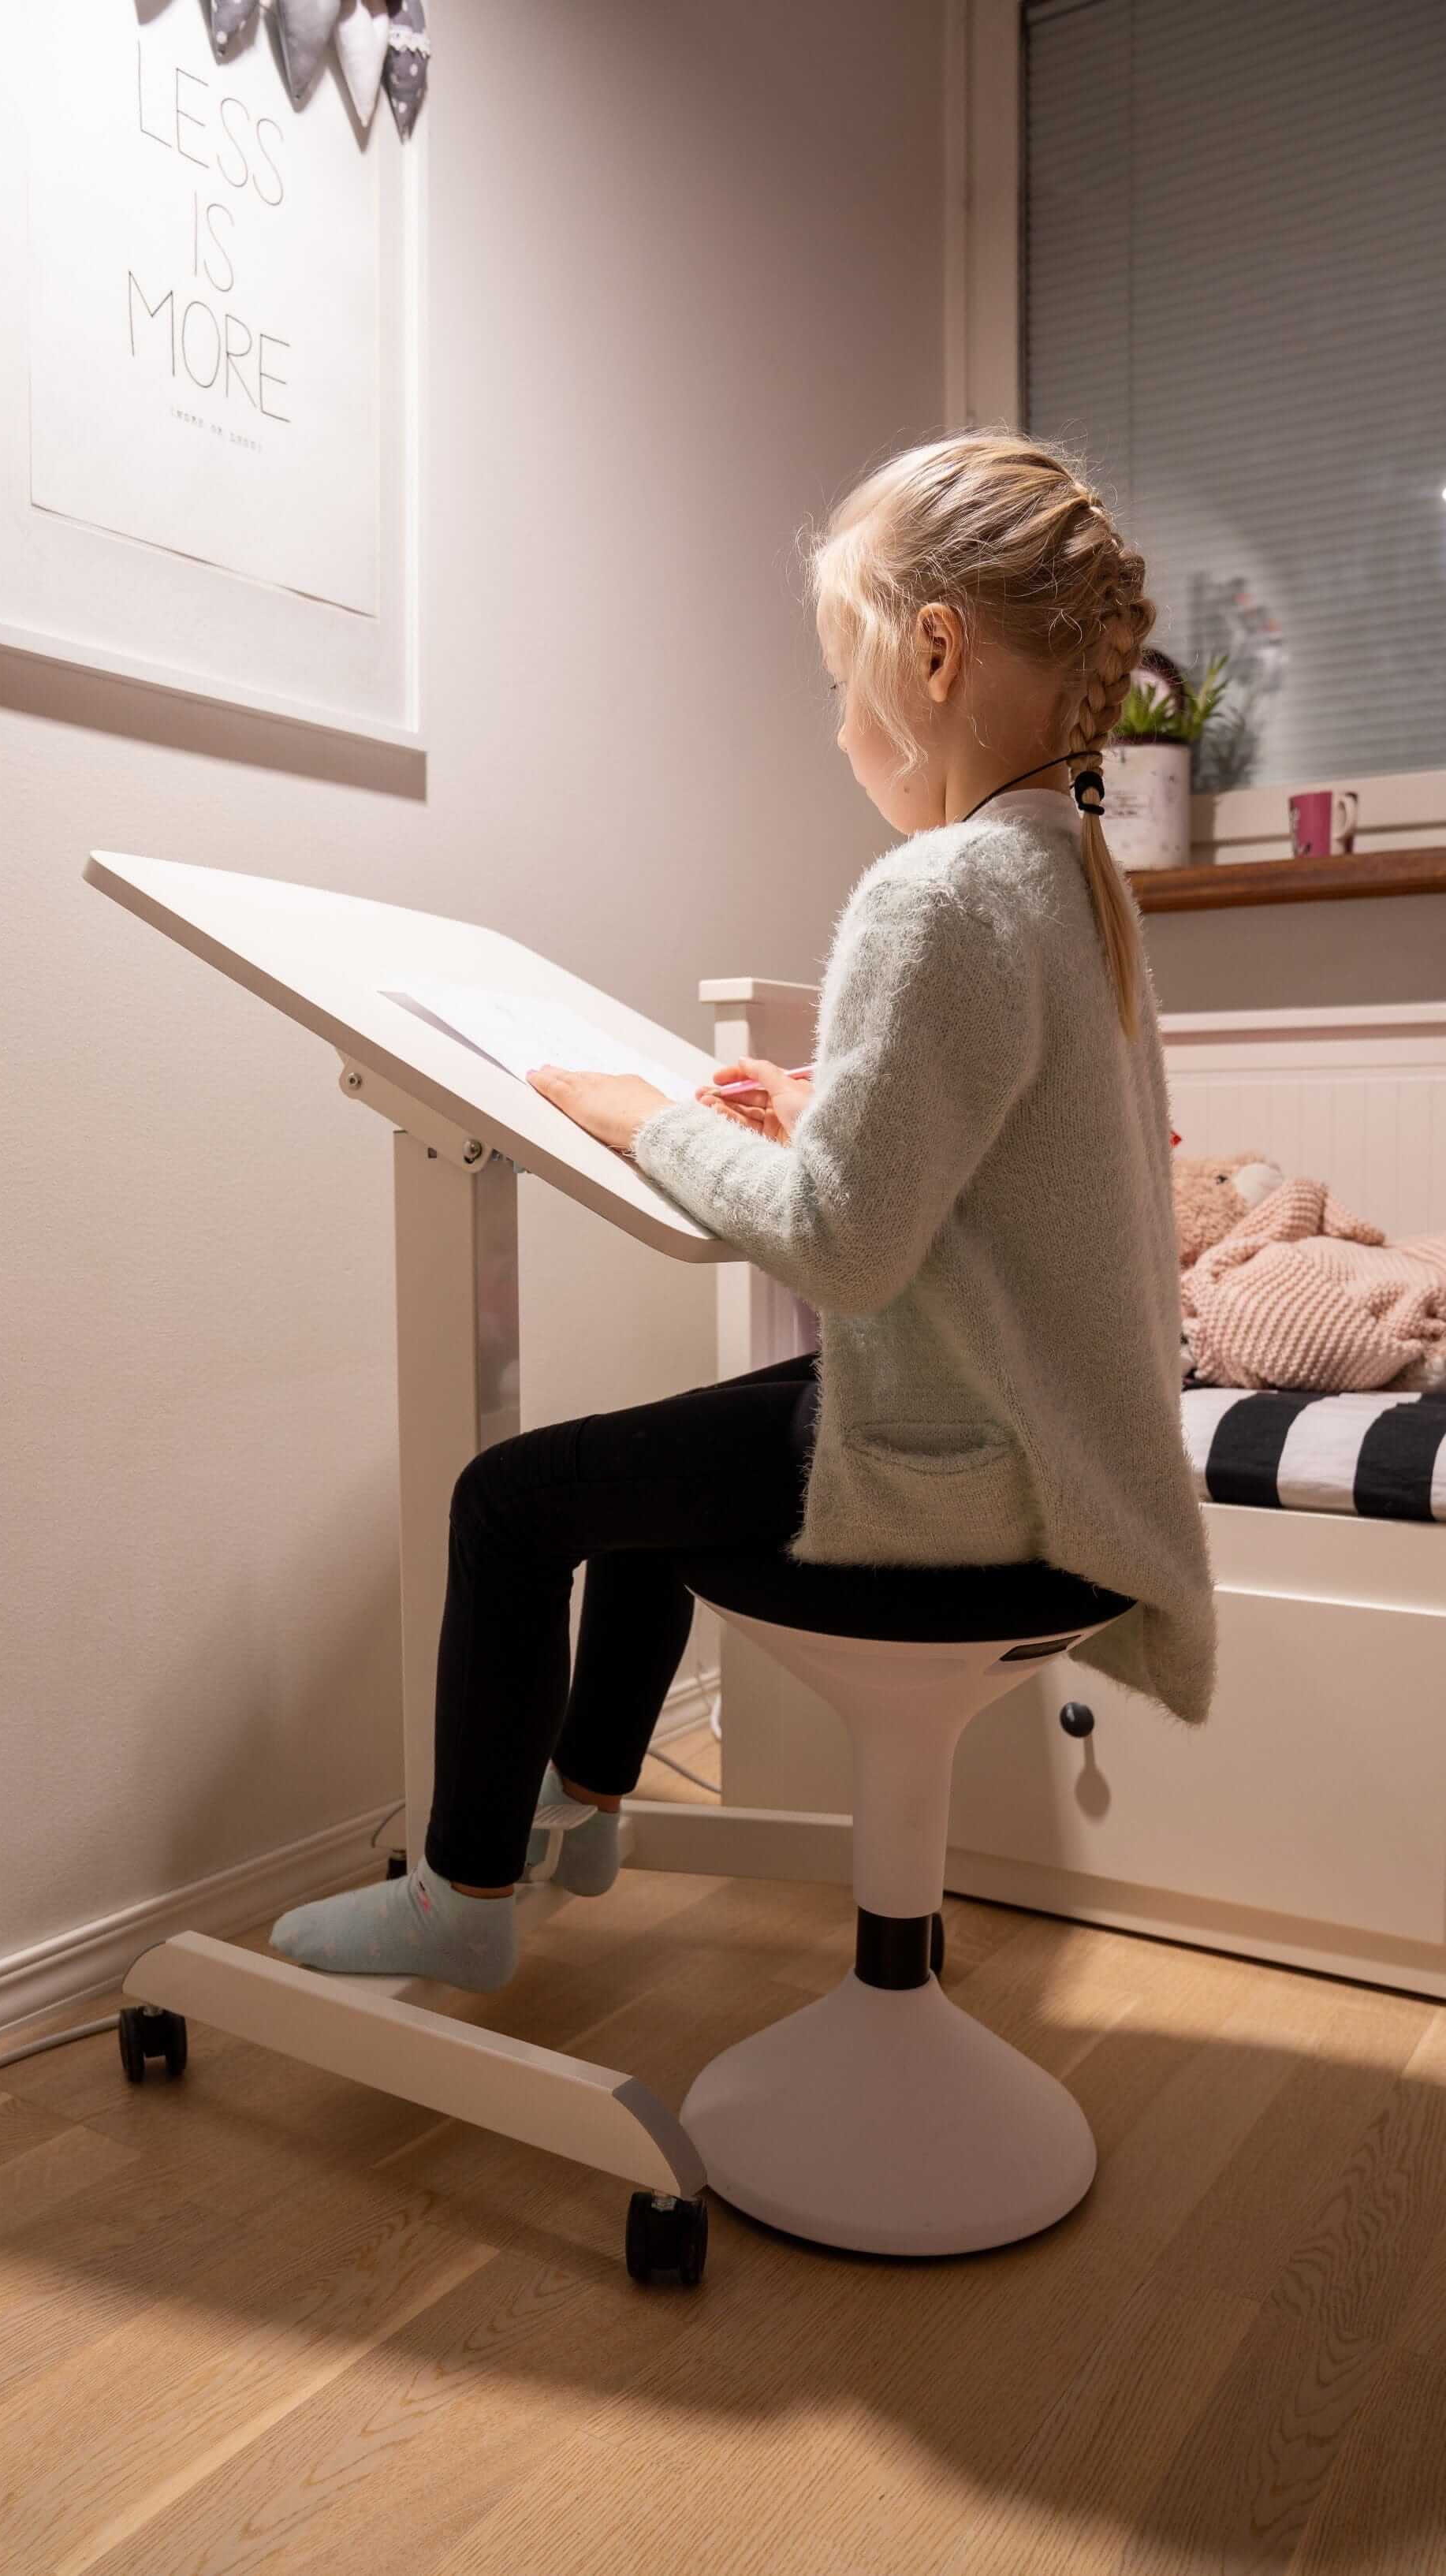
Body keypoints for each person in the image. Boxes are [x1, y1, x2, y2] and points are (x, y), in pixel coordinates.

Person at [270, 431, 1215, 1993]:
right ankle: (587, 1801)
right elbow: (1012, 1146)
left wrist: (639, 1115)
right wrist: (826, 1103)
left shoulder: (942, 889)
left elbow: (842, 1241)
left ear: (933, 654)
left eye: (844, 683)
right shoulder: (1075, 876)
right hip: (1078, 1479)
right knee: (674, 1450)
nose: (840, 728)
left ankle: (464, 1895)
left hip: (983, 1504)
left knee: (508, 1499)